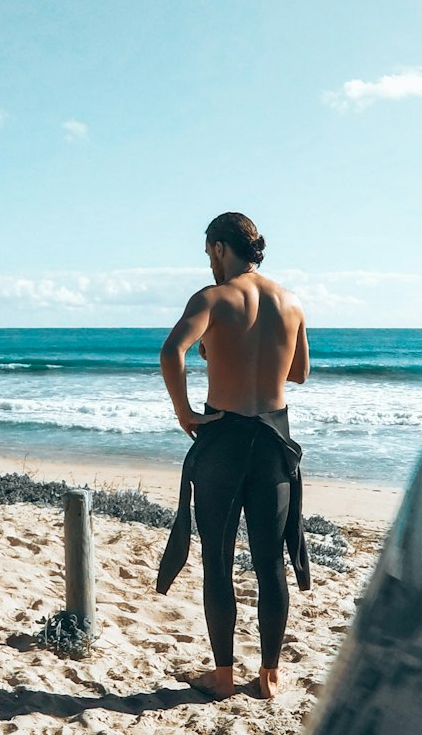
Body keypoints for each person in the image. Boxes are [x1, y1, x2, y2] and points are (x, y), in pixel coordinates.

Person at [156, 212, 311, 701]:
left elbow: (171, 352)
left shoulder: (212, 299)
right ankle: (268, 677)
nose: (209, 264)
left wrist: (183, 411)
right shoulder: (291, 301)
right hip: (273, 442)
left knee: (218, 562)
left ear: (221, 248)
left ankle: (222, 677)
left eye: (208, 254)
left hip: (223, 439)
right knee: (271, 564)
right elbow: (299, 373)